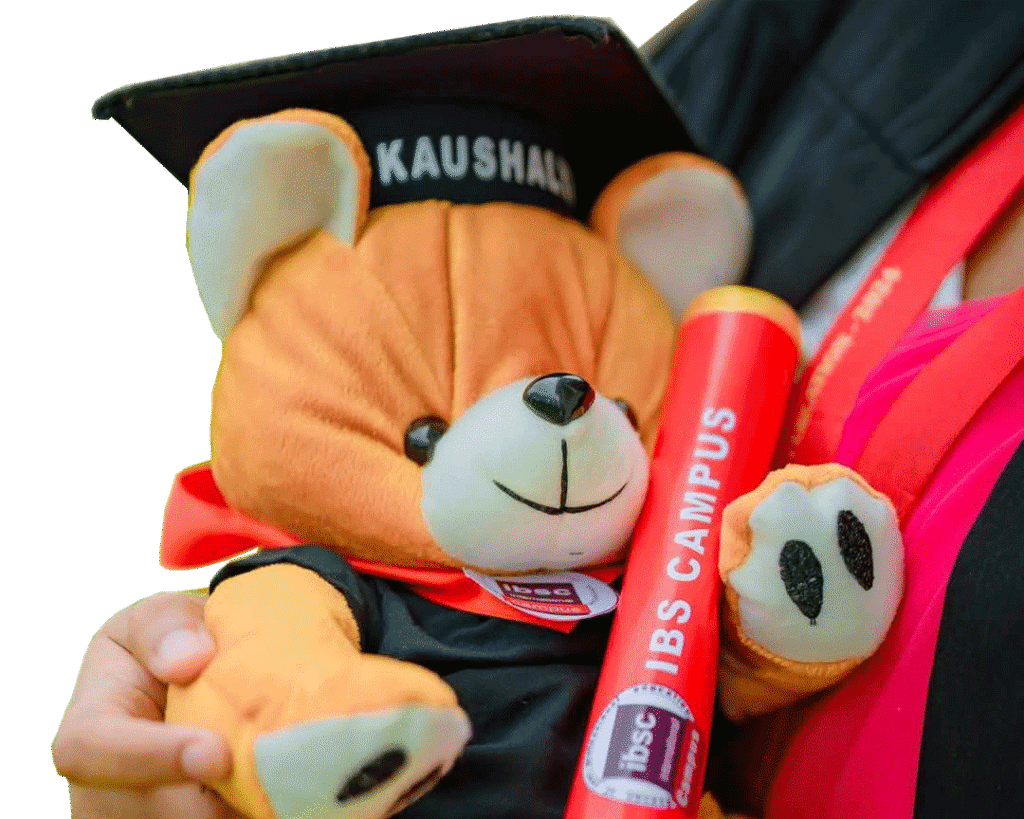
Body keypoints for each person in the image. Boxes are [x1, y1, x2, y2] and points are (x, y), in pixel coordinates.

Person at [54, 1, 1024, 817]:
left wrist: (768, 627)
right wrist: (217, 718)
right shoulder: (819, 37)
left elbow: (702, 668)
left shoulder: (620, 584)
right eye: (429, 436)